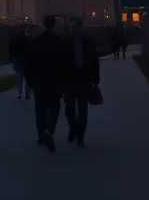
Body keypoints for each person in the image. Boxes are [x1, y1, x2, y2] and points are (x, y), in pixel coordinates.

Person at [25, 15, 69, 152]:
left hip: (39, 82)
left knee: (40, 110)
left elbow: (29, 63)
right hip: (55, 82)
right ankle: (49, 130)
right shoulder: (60, 42)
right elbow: (65, 64)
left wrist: (30, 81)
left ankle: (41, 134)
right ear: (54, 25)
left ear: (43, 25)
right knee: (54, 108)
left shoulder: (36, 42)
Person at [64, 17, 100, 147]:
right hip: (69, 80)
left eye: (74, 27)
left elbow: (94, 60)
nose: (72, 29)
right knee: (69, 109)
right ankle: (73, 128)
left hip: (84, 79)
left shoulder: (88, 42)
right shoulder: (66, 41)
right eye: (70, 27)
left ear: (80, 28)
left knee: (83, 109)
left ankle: (80, 136)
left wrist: (96, 79)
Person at [9, 24, 31, 99]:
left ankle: (19, 93)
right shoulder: (28, 38)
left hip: (18, 59)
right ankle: (27, 94)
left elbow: (11, 48)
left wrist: (12, 57)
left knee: (19, 77)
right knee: (27, 78)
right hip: (26, 60)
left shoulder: (15, 38)